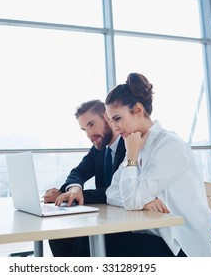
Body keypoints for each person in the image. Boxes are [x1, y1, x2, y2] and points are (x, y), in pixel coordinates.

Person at [102, 72, 211, 257]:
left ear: (138, 110)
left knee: (105, 244)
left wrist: (131, 157)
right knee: (97, 240)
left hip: (181, 247)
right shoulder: (137, 143)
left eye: (117, 118)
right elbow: (111, 192)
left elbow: (131, 201)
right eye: (111, 120)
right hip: (154, 235)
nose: (114, 128)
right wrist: (143, 202)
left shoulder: (169, 146)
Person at [44, 99, 170, 257]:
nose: (89, 134)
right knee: (59, 237)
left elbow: (120, 191)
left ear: (108, 117)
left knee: (86, 241)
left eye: (91, 124)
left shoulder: (131, 145)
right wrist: (75, 188)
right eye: (84, 129)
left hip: (132, 222)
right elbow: (78, 172)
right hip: (109, 218)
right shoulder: (99, 149)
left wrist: (78, 198)